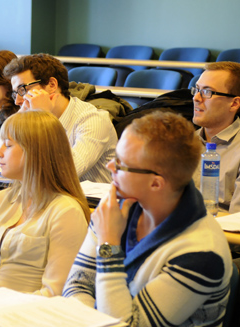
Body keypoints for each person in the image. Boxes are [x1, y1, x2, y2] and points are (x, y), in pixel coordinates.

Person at [63, 111, 232, 326]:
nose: (109, 167)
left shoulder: (201, 253)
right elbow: (76, 286)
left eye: (121, 164)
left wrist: (109, 245)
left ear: (155, 183)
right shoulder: (117, 207)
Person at [0, 110, 90, 296]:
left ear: (35, 152)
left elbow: (54, 291)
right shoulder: (0, 200)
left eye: (8, 145)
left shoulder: (66, 211)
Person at [0, 53, 117, 183]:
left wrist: (43, 118)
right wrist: (18, 121)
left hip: (89, 202)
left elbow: (65, 173)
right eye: (15, 93)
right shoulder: (29, 118)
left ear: (51, 85)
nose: (17, 101)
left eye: (22, 89)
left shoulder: (94, 120)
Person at [191, 61, 240, 213]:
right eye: (197, 89)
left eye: (207, 92)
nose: (196, 98)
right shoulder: (181, 141)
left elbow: (236, 223)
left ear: (234, 104)